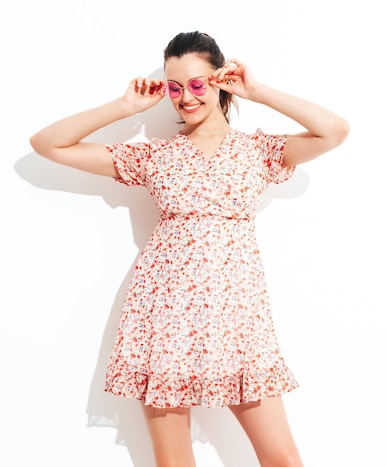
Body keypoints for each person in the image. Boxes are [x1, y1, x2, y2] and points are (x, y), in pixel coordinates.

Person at [30, 31, 349, 467]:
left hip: (238, 317)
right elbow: (47, 143)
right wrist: (123, 108)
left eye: (197, 84)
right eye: (174, 87)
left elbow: (335, 130)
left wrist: (258, 92)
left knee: (283, 458)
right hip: (162, 317)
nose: (185, 98)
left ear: (220, 81)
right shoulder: (154, 157)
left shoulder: (260, 150)